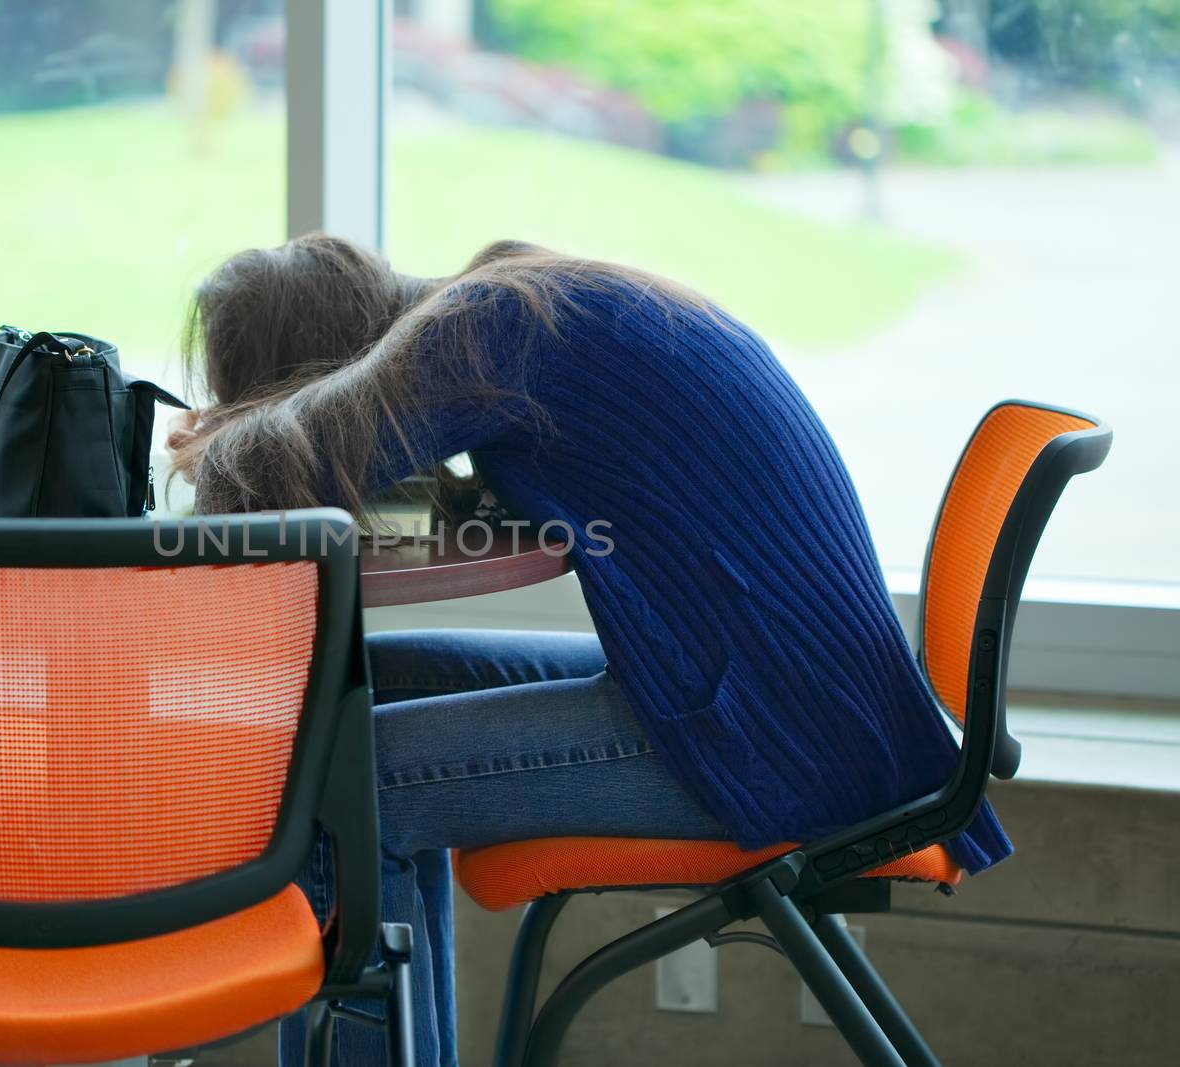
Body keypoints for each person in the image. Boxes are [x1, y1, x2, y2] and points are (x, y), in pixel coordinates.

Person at [166, 234, 1008, 1067]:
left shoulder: (489, 322)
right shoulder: (518, 296)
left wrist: (227, 432)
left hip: (779, 738)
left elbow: (260, 481)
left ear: (324, 367)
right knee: (366, 689)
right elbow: (415, 494)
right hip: (788, 695)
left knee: (347, 781)